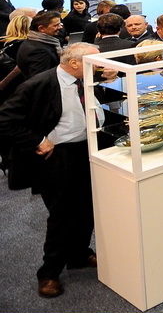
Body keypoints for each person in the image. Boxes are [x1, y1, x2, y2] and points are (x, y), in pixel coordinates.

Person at [0, 43, 121, 298]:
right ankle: (49, 272)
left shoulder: (86, 77)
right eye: (95, 61)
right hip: (58, 156)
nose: (101, 65)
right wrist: (37, 140)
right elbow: (5, 119)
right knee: (62, 215)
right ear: (74, 63)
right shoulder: (39, 84)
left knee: (88, 207)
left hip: (89, 150)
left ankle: (79, 254)